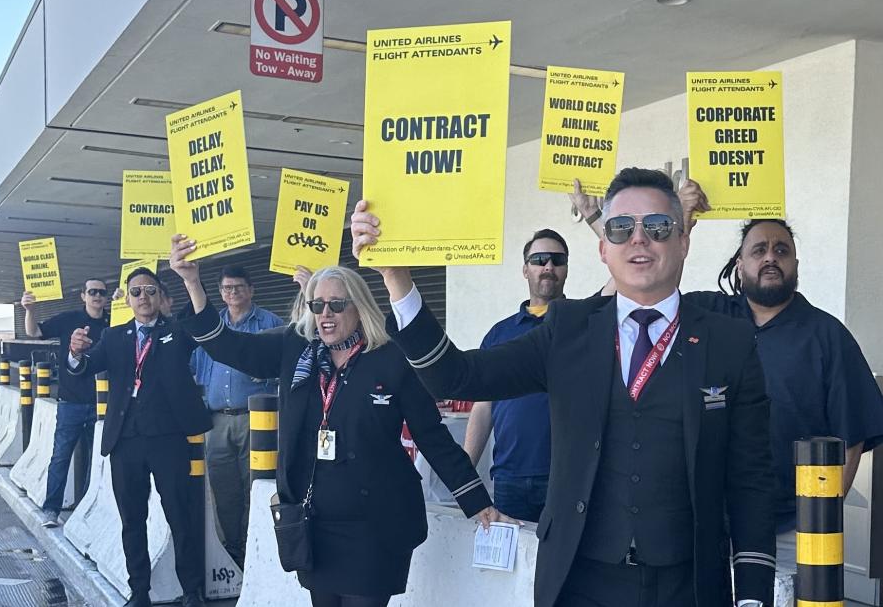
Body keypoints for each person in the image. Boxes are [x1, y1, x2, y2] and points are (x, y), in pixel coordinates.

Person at [351, 168, 775, 607]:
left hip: (689, 585)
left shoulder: (730, 342)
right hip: (580, 582)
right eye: (621, 228)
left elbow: (751, 481)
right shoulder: (567, 330)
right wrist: (395, 276)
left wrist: (753, 596)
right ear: (603, 248)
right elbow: (455, 376)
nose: (639, 239)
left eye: (658, 227)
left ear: (683, 240)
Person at [170, 236, 503, 607]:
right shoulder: (296, 350)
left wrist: (476, 499)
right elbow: (229, 347)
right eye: (317, 305)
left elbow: (431, 434)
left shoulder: (390, 357)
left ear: (358, 307)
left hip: (376, 526)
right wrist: (191, 283)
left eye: (336, 305)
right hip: (315, 523)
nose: (325, 314)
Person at [650, 178, 883, 577]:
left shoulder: (827, 335)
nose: (770, 257)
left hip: (792, 529)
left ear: (796, 264)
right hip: (706, 521)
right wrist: (683, 222)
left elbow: (850, 440)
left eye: (782, 250)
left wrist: (819, 520)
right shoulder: (710, 317)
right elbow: (652, 289)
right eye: (759, 250)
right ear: (740, 266)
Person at [67, 267, 212, 607]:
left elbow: (202, 318)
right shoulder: (114, 337)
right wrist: (75, 353)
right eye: (136, 292)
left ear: (161, 297)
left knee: (181, 515)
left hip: (169, 440)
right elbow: (84, 367)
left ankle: (191, 591)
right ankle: (140, 592)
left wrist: (192, 280)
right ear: (127, 299)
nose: (143, 297)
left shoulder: (177, 332)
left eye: (150, 290)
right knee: (133, 520)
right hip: (126, 442)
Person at [462, 228, 569, 522]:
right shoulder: (500, 333)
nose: (548, 266)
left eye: (557, 260)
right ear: (525, 269)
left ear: (566, 268)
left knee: (563, 567)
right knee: (510, 568)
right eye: (539, 259)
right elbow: (482, 407)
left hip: (566, 478)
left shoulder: (581, 324)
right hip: (509, 479)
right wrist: (465, 472)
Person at [189, 265, 283, 569]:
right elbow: (198, 366)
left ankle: (256, 547)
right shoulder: (212, 327)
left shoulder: (270, 323)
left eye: (239, 287)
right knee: (224, 488)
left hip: (257, 421)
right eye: (227, 288)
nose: (233, 293)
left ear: (251, 290)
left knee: (256, 486)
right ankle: (234, 550)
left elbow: (287, 367)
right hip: (217, 421)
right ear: (220, 293)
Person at [21, 279, 109, 528]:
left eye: (102, 293)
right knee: (60, 456)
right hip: (70, 402)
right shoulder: (69, 319)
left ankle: (89, 508)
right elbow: (34, 332)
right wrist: (29, 310)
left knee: (98, 461)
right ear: (83, 295)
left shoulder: (113, 322)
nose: (97, 296)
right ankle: (51, 509)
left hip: (103, 405)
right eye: (92, 292)